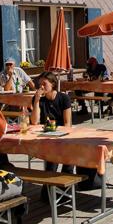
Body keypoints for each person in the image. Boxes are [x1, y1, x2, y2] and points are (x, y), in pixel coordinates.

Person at [30, 72, 73, 200]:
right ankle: (50, 193)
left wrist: (61, 136)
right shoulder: (39, 99)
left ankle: (65, 192)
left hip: (63, 135)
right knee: (51, 164)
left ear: (53, 84)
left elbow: (67, 123)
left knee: (68, 162)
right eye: (40, 84)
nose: (41, 86)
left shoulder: (63, 98)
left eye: (44, 84)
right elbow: (34, 121)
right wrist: (37, 100)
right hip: (46, 137)